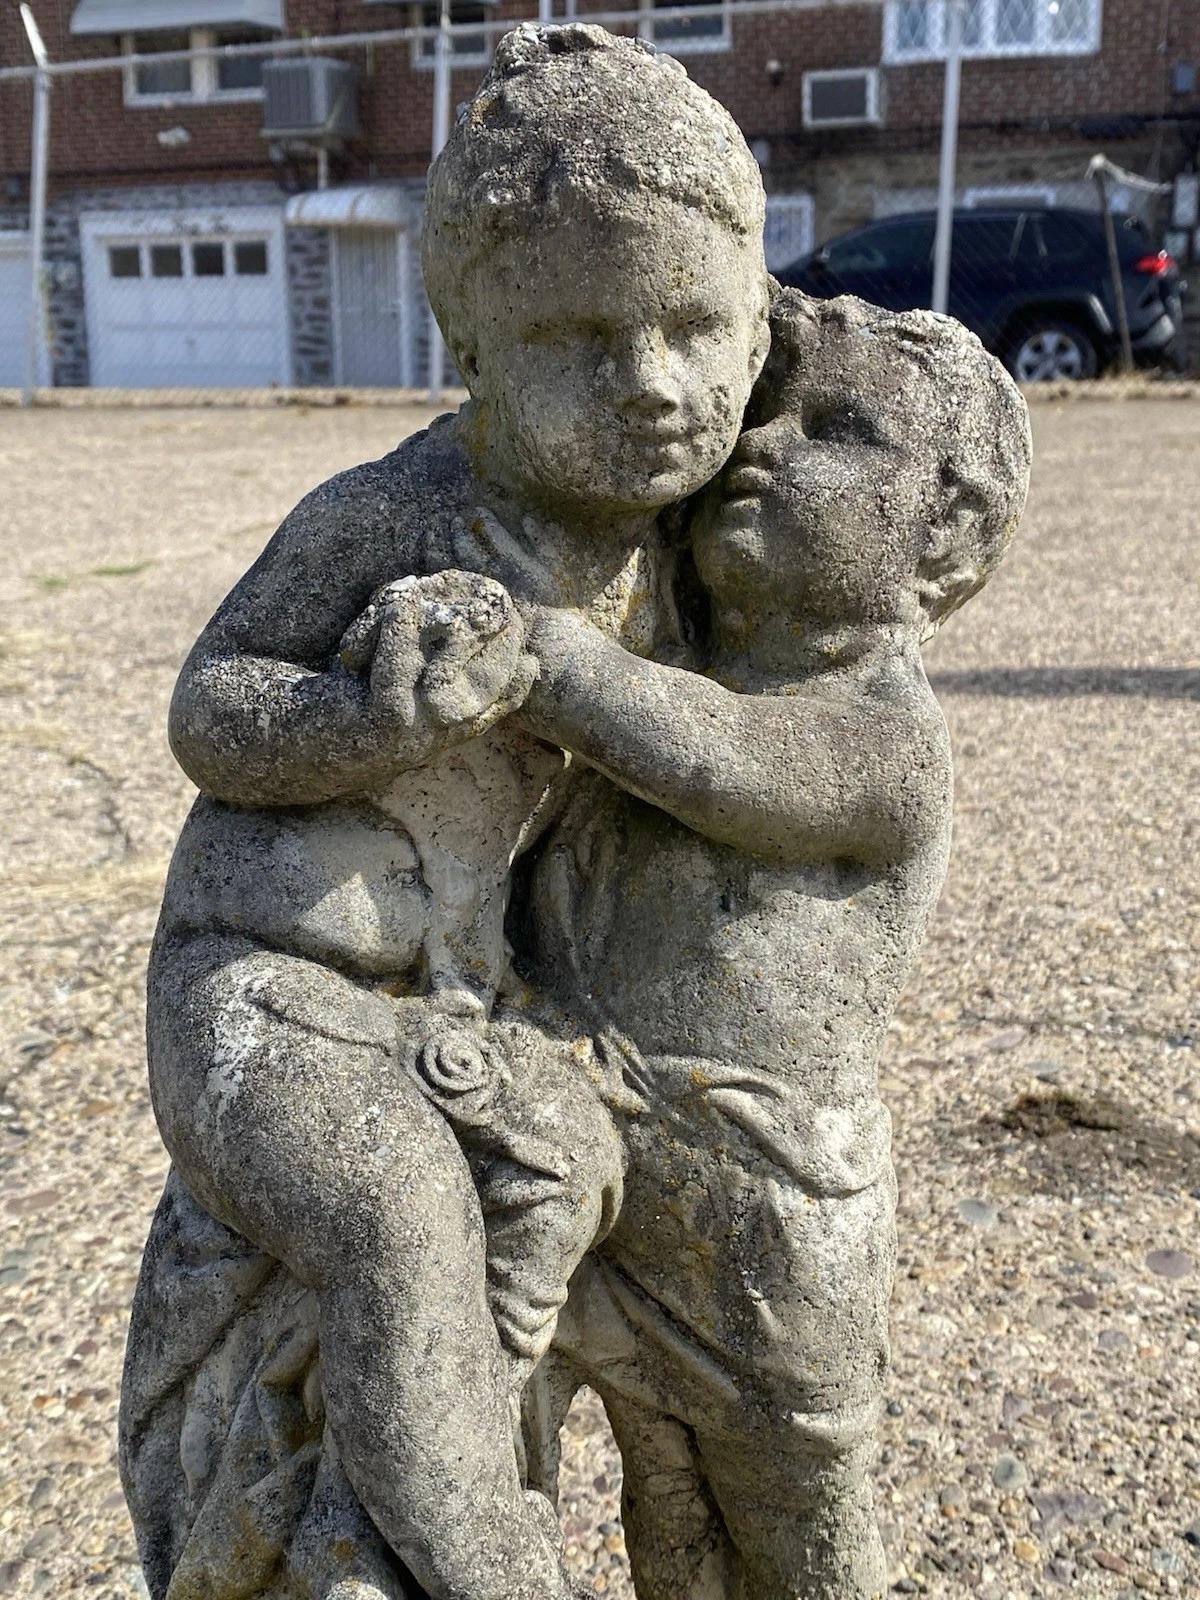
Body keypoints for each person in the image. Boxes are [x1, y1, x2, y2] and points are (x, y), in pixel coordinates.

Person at [135, 24, 772, 1600]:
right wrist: (364, 724)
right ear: (472, 345)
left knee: (591, 1190)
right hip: (269, 992)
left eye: (701, 326)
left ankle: (429, 1500)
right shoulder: (398, 510)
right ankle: (484, 1563)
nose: (656, 384)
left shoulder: (704, 540)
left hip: (473, 1000)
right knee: (398, 1206)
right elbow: (208, 708)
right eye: (580, 339)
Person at [498, 291, 1032, 1600]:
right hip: (594, 1161)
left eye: (839, 429)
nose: (767, 445)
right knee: (662, 1506)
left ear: (946, 527)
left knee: (796, 1529)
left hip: (766, 1219)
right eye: (768, 411)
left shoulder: (884, 735)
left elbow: (720, 758)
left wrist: (550, 658)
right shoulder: (677, 652)